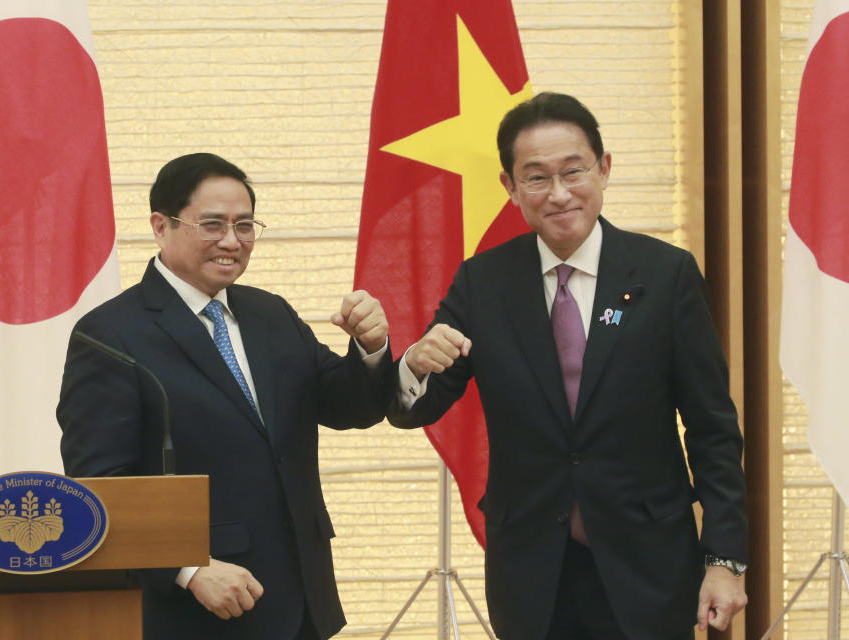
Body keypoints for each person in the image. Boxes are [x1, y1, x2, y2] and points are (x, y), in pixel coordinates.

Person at [387, 93, 748, 639]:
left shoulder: (666, 274)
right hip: (532, 569)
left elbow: (713, 429)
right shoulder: (482, 283)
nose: (558, 194)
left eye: (573, 171)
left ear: (603, 169)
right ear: (510, 188)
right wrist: (413, 363)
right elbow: (420, 406)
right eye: (535, 177)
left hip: (648, 563)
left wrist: (725, 560)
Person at [58, 152, 392, 640]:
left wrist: (372, 348)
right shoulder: (109, 335)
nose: (232, 242)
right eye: (212, 225)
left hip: (301, 599)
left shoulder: (270, 314)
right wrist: (188, 569)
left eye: (245, 225)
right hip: (197, 609)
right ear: (160, 225)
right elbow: (100, 486)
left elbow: (347, 407)